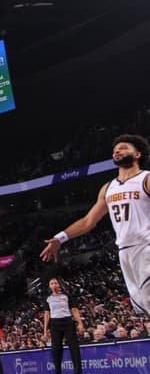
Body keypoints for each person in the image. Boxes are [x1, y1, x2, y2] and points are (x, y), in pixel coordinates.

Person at [41, 134, 150, 315]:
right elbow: (88, 221)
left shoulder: (146, 179)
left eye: (123, 147)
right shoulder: (108, 188)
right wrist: (59, 239)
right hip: (125, 252)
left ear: (137, 154)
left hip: (146, 246)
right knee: (143, 307)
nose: (117, 150)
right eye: (115, 148)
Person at [42, 277, 85, 374]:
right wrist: (45, 332)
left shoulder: (67, 296)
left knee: (74, 350)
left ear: (59, 285)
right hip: (55, 324)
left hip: (68, 322)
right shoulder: (48, 299)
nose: (54, 285)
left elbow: (74, 310)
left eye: (56, 283)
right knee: (56, 351)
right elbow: (47, 315)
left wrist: (80, 323)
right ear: (49, 286)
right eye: (52, 283)